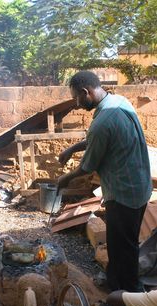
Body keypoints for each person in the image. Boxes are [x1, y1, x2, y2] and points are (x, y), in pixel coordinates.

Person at [58, 71, 152, 292]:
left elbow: (86, 167)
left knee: (123, 249)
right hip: (139, 186)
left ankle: (128, 300)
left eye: (76, 98)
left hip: (123, 194)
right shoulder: (119, 101)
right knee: (124, 244)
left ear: (85, 92)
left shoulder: (102, 122)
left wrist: (65, 179)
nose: (77, 104)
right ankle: (115, 284)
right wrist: (72, 148)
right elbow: (97, 137)